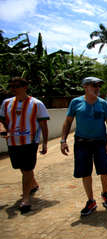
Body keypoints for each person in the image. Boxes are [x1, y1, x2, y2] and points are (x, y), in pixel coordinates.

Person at [60, 77, 107, 216]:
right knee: (85, 172)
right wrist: (63, 140)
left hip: (100, 142)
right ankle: (91, 200)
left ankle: (105, 193)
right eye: (93, 85)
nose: (97, 88)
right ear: (85, 87)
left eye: (98, 86)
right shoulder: (76, 102)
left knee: (104, 170)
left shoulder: (103, 104)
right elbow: (67, 122)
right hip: (82, 143)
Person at [0, 77, 49, 214]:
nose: (13, 89)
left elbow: (43, 125)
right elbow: (1, 121)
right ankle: (32, 183)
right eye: (11, 86)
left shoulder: (36, 104)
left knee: (27, 169)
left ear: (25, 87)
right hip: (12, 142)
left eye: (16, 86)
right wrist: (3, 129)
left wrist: (44, 143)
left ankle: (25, 198)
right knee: (21, 167)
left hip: (29, 142)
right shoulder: (6, 103)